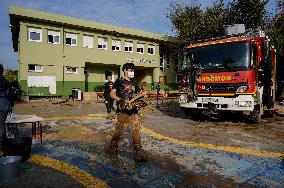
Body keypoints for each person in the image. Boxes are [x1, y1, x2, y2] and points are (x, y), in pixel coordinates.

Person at [109, 63, 149, 162]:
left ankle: (138, 152)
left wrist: (144, 94)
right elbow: (112, 94)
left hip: (133, 110)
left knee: (135, 130)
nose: (131, 71)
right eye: (130, 70)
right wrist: (120, 100)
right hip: (123, 110)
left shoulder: (134, 83)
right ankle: (113, 146)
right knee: (119, 129)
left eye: (132, 70)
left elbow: (139, 94)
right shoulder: (119, 81)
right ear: (125, 71)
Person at [0, 64, 11, 146]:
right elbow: (9, 96)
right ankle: (2, 144)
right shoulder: (6, 82)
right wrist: (10, 107)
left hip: (3, 105)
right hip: (4, 106)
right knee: (1, 125)